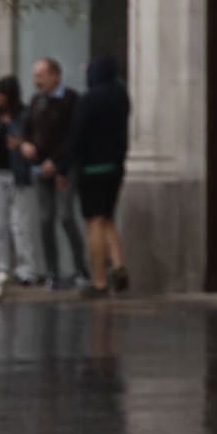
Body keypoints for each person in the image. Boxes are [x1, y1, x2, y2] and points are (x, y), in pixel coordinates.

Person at [20, 57, 87, 289]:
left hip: (63, 169)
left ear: (55, 75)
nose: (37, 80)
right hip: (40, 168)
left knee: (66, 217)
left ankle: (81, 269)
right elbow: (28, 130)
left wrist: (58, 163)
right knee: (45, 219)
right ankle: (52, 271)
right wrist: (26, 145)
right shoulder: (37, 101)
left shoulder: (70, 100)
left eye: (41, 75)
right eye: (35, 75)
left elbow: (73, 136)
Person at [71, 54, 133, 295]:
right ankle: (118, 265)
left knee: (94, 221)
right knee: (107, 216)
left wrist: (65, 165)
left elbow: (77, 135)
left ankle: (99, 280)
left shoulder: (88, 101)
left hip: (91, 167)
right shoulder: (121, 98)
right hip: (114, 167)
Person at [0, 76, 41, 297]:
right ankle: (3, 267)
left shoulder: (24, 115)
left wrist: (19, 143)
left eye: (1, 95)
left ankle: (27, 268)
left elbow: (30, 140)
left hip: (18, 173)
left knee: (20, 223)